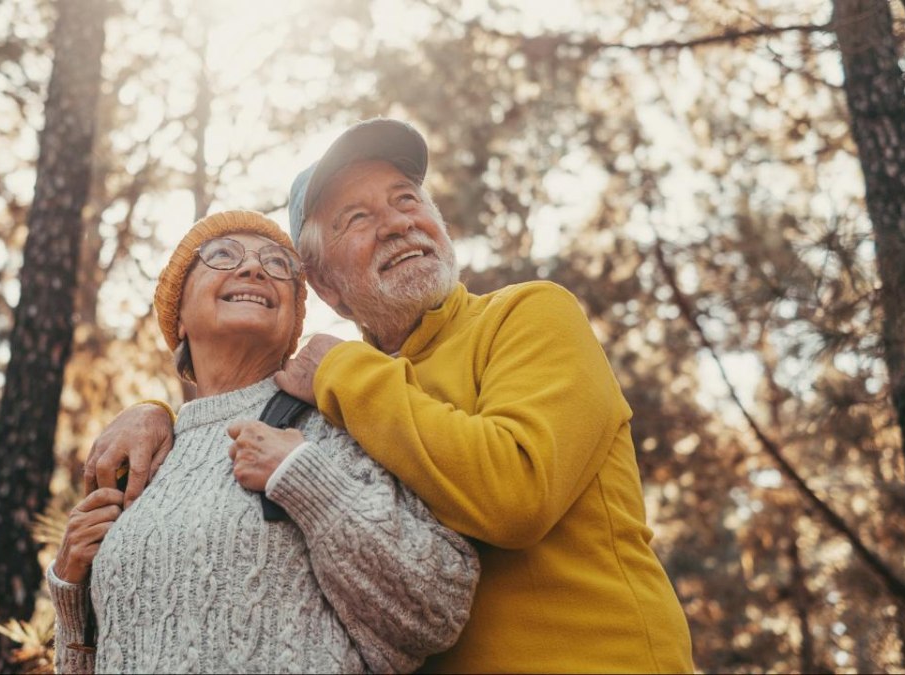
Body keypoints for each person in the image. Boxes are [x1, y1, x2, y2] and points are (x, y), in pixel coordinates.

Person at [86, 120, 695, 673]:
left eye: (407, 200)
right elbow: (230, 410)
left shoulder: (527, 316)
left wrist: (343, 370)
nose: (399, 222)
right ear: (325, 285)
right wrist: (158, 415)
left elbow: (517, 492)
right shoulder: (331, 400)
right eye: (356, 217)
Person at [48, 210, 479, 674]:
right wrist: (71, 601)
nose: (253, 269)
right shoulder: (143, 459)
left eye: (277, 264)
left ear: (294, 319)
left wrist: (307, 479)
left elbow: (437, 609)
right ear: (179, 317)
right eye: (222, 255)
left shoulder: (334, 425)